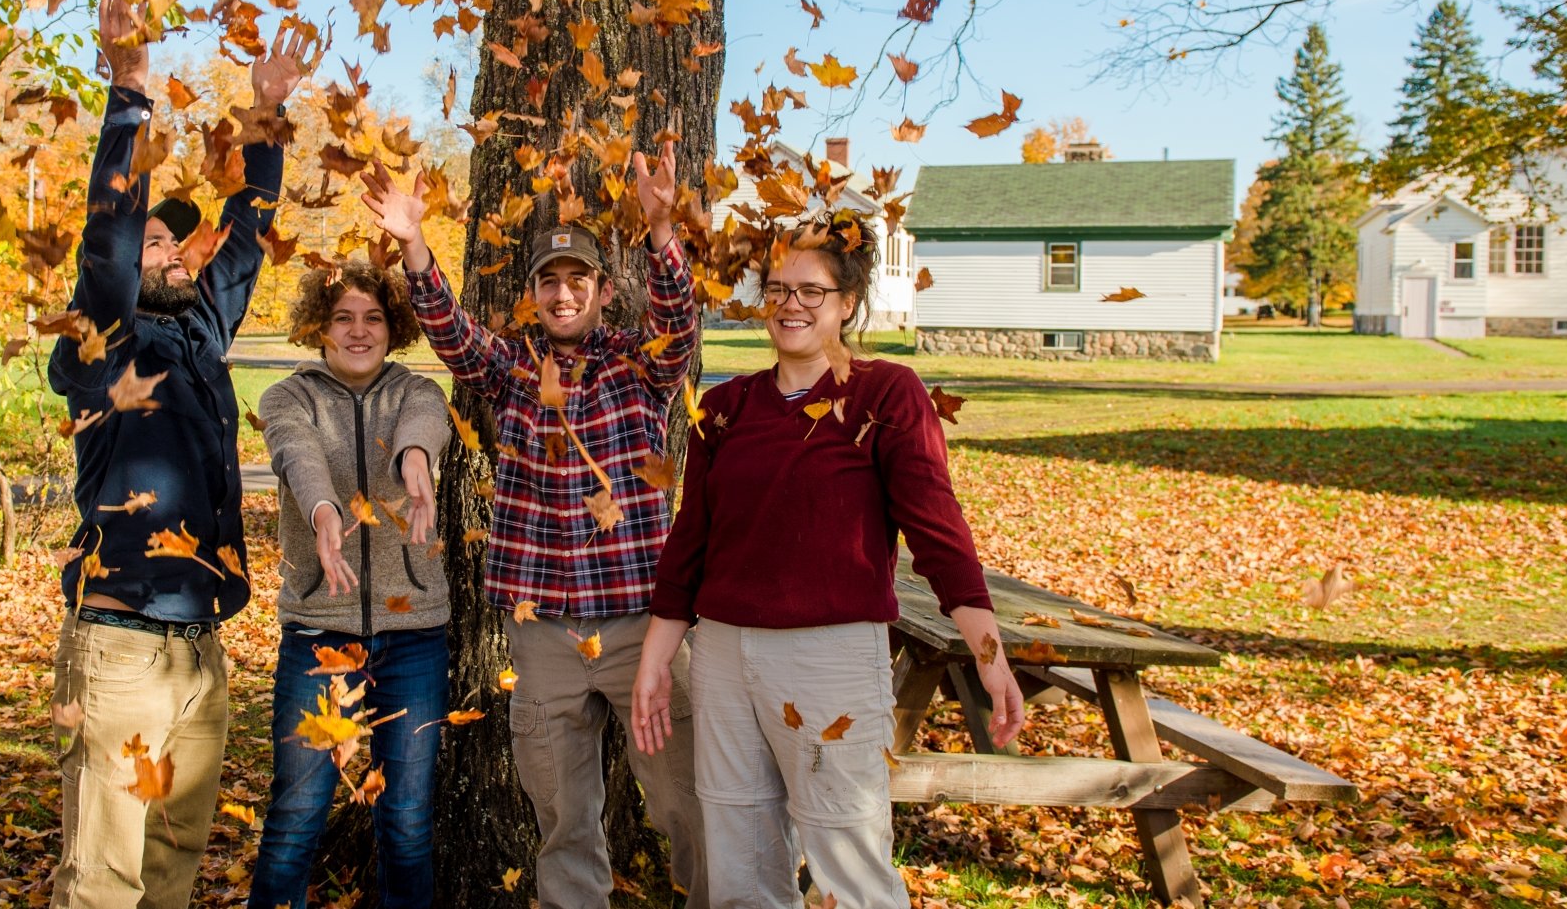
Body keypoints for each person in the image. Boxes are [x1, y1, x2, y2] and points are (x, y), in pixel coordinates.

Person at [628, 215, 1028, 909]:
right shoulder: (723, 408)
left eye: (812, 290)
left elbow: (938, 533)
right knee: (739, 854)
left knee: (848, 856)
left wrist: (989, 652)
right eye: (778, 288)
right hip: (723, 656)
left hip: (831, 656)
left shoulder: (886, 393)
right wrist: (656, 660)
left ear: (847, 302)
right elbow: (689, 545)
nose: (791, 304)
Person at [364, 146, 710, 909]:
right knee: (563, 815)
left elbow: (679, 324)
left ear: (602, 291)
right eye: (548, 281)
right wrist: (414, 245)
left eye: (577, 280)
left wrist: (660, 229)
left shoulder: (638, 364)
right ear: (532, 294)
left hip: (640, 628)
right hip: (544, 631)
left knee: (688, 800)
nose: (562, 293)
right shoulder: (512, 369)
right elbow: (450, 331)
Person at [45, 0, 317, 909]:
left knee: (173, 867)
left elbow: (243, 238)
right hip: (119, 642)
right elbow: (109, 248)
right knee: (104, 878)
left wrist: (268, 115)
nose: (164, 254)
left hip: (200, 648)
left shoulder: (199, 334)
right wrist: (130, 96)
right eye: (155, 241)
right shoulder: (101, 342)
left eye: (173, 246)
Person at [247, 260, 453, 909]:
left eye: (373, 318)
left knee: (406, 822)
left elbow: (425, 430)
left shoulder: (418, 391)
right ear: (320, 326)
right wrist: (325, 511)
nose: (359, 331)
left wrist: (415, 461)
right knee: (298, 814)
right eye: (344, 318)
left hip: (414, 635)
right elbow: (296, 453)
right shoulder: (289, 396)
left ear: (394, 326)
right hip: (318, 632)